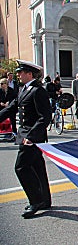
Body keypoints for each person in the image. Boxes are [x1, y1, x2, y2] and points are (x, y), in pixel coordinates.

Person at [0, 60, 52, 218]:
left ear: (29, 73)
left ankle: (35, 201)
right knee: (37, 167)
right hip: (27, 135)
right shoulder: (23, 89)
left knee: (21, 167)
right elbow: (12, 108)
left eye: (20, 72)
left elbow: (45, 117)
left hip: (31, 138)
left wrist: (31, 137)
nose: (18, 75)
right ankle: (44, 199)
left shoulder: (38, 91)